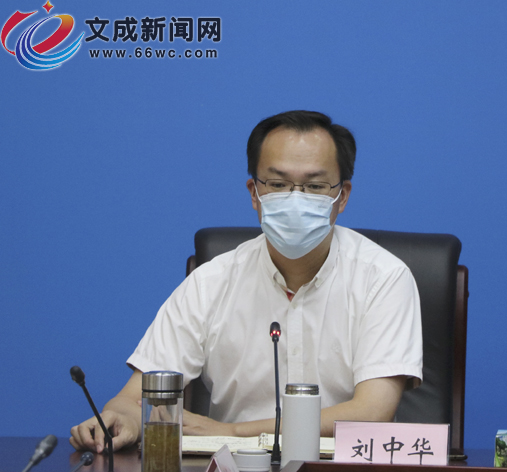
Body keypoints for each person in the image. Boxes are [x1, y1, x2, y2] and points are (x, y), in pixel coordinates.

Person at [70, 110, 423, 453]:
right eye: (278, 185)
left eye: (315, 186)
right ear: (254, 193)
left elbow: (371, 411)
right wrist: (122, 419)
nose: (295, 199)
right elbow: (134, 398)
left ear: (341, 196)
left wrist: (234, 432)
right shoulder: (211, 283)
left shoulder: (383, 279)